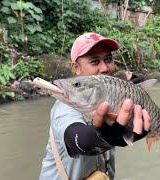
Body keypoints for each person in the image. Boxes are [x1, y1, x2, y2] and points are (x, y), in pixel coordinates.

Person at [40, 32, 151, 180]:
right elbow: (80, 142)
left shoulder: (115, 97)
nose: (105, 68)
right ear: (76, 68)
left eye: (108, 59)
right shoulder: (64, 107)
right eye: (94, 61)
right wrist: (105, 138)